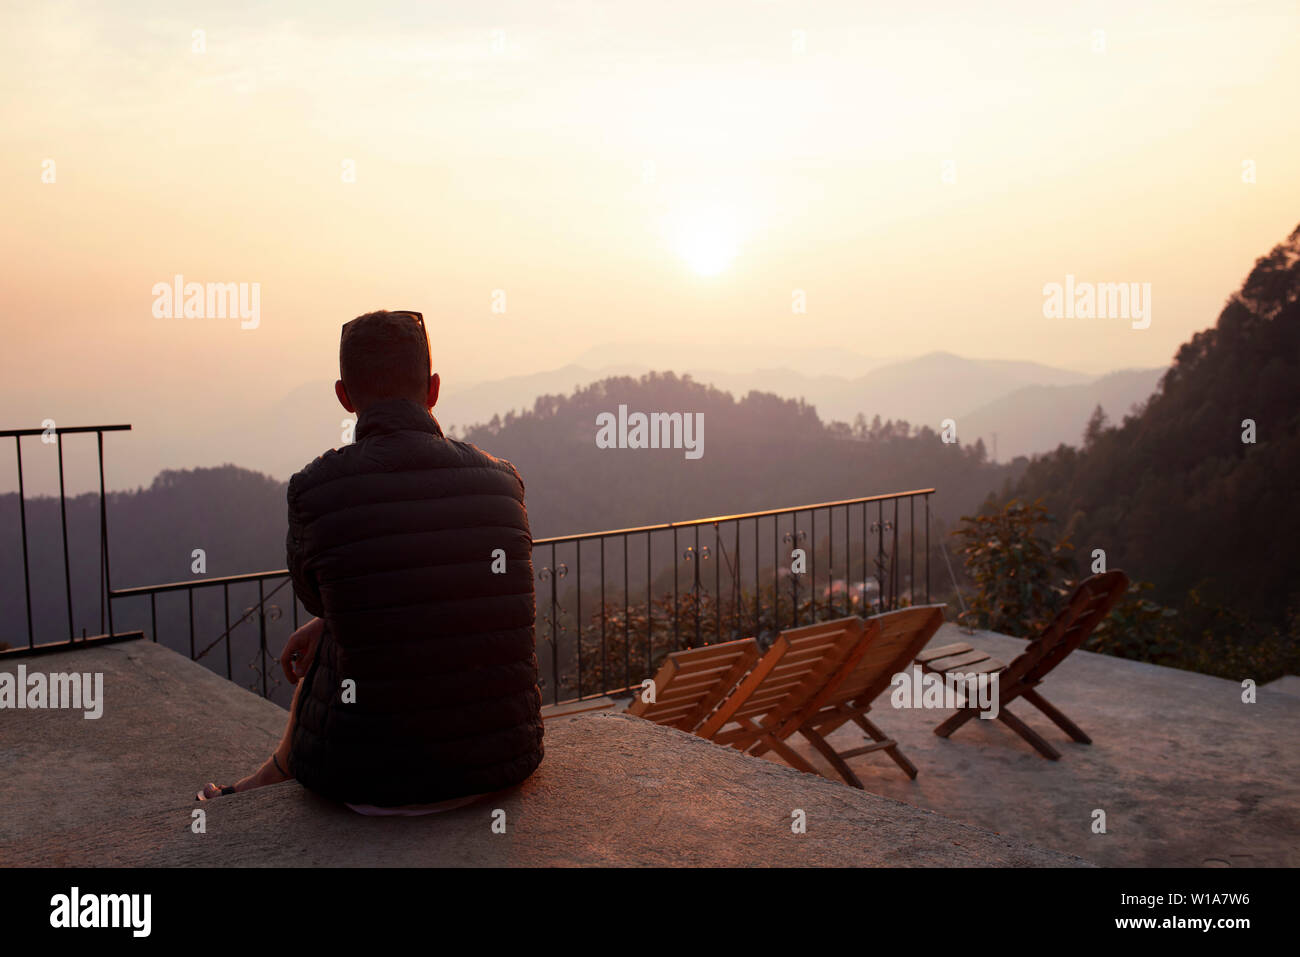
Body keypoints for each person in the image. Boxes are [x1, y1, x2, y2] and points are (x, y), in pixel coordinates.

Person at [198, 310, 544, 811]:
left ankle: (268, 777)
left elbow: (320, 597)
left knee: (335, 636)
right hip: (504, 763)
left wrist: (328, 618)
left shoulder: (316, 490)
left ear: (344, 396)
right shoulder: (503, 482)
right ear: (434, 388)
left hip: (368, 782)